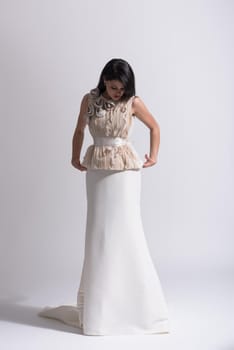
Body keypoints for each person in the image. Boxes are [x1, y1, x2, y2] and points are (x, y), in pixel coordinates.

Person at [38, 58, 170, 336]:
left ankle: (139, 308)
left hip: (126, 172)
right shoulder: (89, 100)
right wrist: (74, 156)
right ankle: (100, 310)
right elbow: (79, 130)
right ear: (104, 82)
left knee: (128, 231)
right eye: (112, 87)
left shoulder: (133, 102)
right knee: (99, 234)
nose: (117, 92)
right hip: (97, 168)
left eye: (121, 88)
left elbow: (155, 127)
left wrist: (154, 157)